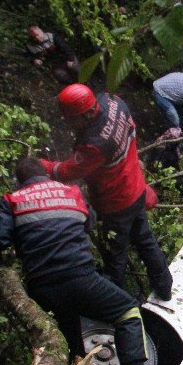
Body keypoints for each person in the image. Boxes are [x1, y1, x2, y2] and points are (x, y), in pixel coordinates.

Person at [0, 157, 152, 365]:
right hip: (81, 278)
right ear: (47, 175)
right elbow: (89, 222)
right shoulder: (72, 192)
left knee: (68, 329)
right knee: (128, 310)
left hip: (41, 287)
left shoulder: (12, 200)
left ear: (19, 181)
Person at [40, 83, 173, 300]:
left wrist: (43, 167)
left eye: (70, 119)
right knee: (146, 241)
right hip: (136, 188)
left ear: (84, 115)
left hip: (116, 203)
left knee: (115, 257)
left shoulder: (94, 144)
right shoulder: (114, 102)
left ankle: (117, 304)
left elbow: (69, 170)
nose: (69, 124)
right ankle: (165, 287)